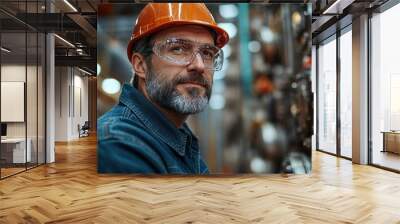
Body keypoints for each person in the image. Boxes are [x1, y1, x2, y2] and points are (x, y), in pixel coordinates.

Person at [97, 3, 229, 174]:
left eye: (207, 53)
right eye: (178, 49)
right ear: (141, 65)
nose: (199, 65)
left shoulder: (179, 139)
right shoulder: (119, 145)